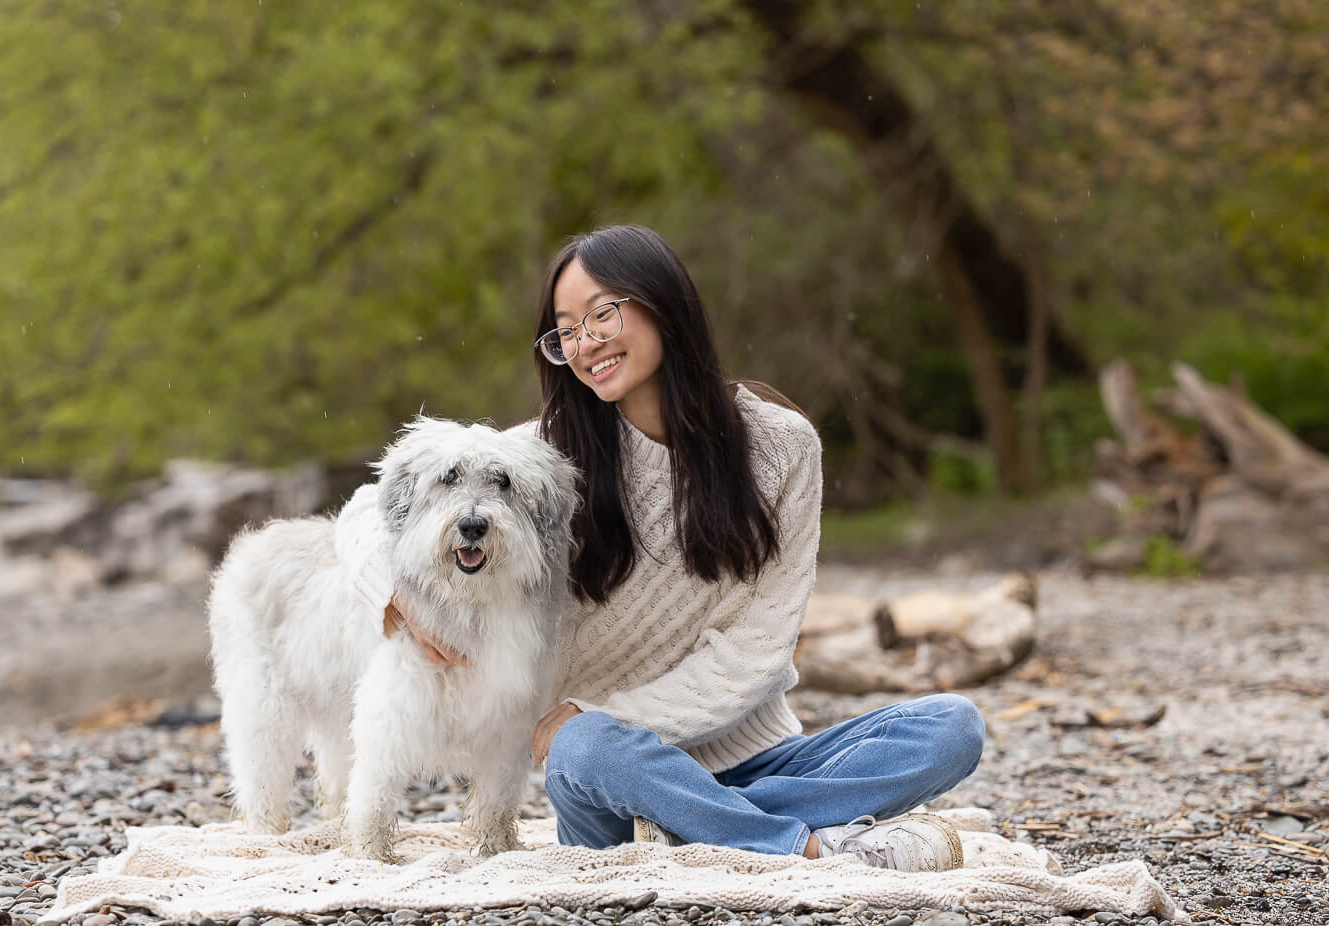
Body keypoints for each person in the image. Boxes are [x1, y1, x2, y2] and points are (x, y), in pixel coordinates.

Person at [406, 225, 985, 871]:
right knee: (585, 745)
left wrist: (615, 719)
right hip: (611, 772)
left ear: (663, 303)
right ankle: (812, 845)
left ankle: (696, 828)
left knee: (952, 726)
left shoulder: (781, 446)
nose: (585, 342)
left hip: (761, 756)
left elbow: (755, 650)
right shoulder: (541, 454)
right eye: (566, 330)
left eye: (603, 314)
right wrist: (395, 602)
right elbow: (380, 517)